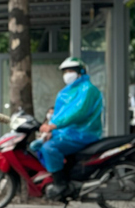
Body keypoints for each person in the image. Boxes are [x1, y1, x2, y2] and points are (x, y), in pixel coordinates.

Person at [30, 58, 103, 199]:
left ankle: (61, 184)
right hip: (67, 133)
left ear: (80, 72)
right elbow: (59, 114)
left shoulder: (88, 90)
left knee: (49, 148)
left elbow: (78, 112)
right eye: (65, 72)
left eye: (71, 71)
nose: (67, 75)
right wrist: (52, 130)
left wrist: (53, 126)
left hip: (82, 134)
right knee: (36, 146)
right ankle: (58, 175)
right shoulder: (66, 92)